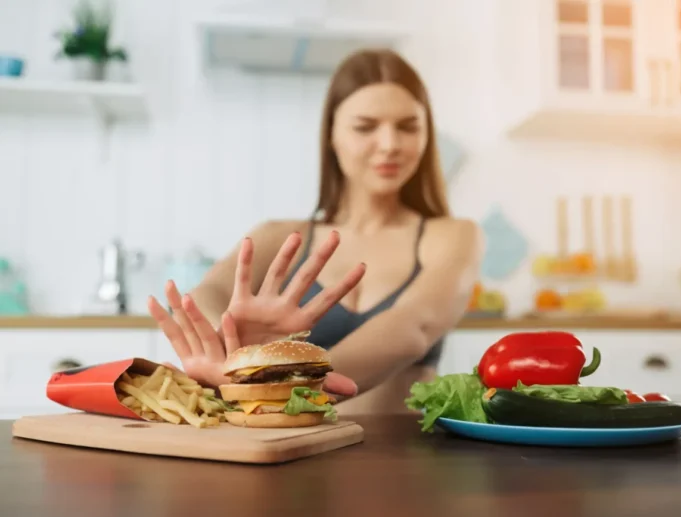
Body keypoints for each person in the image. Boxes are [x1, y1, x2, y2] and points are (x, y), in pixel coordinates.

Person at [147, 48, 483, 414]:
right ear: (332, 136)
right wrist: (239, 356)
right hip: (291, 455)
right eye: (365, 127)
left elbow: (412, 328)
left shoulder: (453, 236)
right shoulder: (278, 237)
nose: (389, 144)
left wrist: (280, 381)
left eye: (407, 126)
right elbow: (205, 296)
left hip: (404, 460)